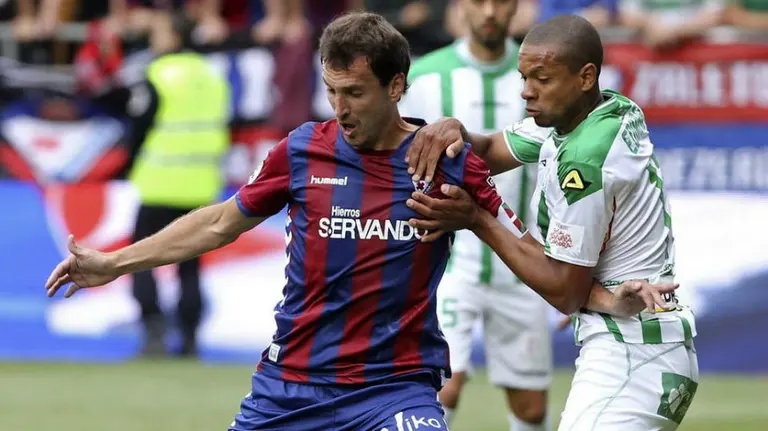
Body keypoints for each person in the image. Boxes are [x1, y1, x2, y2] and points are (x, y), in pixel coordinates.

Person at [45, 12, 678, 431]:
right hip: (287, 386)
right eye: (332, 91)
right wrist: (113, 263)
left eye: (356, 93)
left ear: (397, 86)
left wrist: (606, 296)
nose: (340, 109)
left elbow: (527, 252)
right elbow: (217, 224)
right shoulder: (302, 151)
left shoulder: (443, 165)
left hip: (393, 392)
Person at [404, 14, 699, 431]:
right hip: (644, 340)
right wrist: (457, 131)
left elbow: (563, 290)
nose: (526, 91)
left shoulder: (584, 159)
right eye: (524, 77)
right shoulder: (604, 110)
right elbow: (488, 149)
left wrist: (476, 219)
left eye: (541, 79)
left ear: (585, 76)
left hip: (633, 352)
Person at [399, 1, 552, 429]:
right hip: (447, 265)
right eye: (477, 1)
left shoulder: (542, 77)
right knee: (441, 388)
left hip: (523, 264)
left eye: (500, 2)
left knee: (531, 408)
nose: (489, 12)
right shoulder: (427, 76)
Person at [124, 12, 230, 357]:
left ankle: (153, 331)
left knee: (139, 258)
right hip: (201, 185)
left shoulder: (158, 73)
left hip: (159, 183)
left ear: (173, 37)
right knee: (191, 265)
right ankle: (189, 338)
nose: (154, 39)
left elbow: (138, 126)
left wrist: (127, 164)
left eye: (159, 32)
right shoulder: (214, 75)